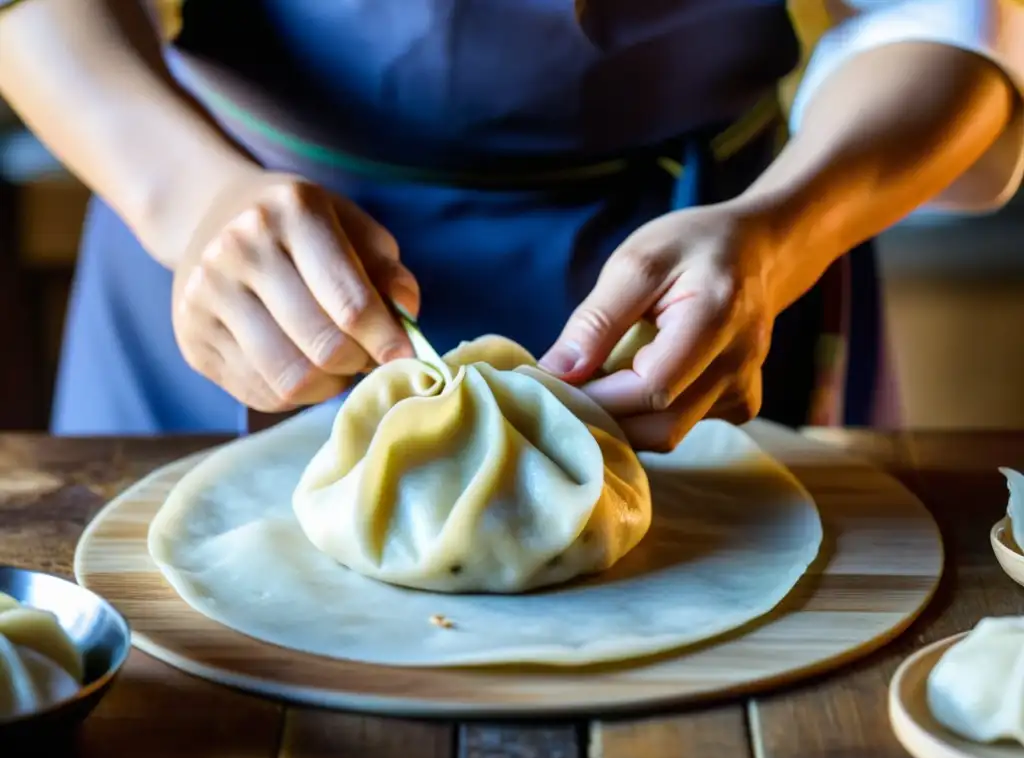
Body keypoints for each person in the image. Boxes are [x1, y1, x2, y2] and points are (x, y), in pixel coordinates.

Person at [0, 0, 1021, 449]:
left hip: (718, 256)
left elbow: (948, 21)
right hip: (232, 243)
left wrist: (783, 230)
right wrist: (190, 201)